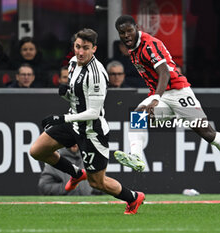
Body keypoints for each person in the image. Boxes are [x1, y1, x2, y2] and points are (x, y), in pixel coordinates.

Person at [112, 15, 220, 192]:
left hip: (177, 92)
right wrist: (156, 97)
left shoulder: (149, 44)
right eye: (122, 33)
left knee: (208, 134)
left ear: (136, 28)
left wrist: (155, 98)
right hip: (161, 95)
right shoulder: (132, 49)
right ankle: (136, 156)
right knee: (138, 116)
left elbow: (164, 74)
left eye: (130, 30)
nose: (127, 35)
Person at [29, 28, 145, 214]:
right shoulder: (73, 62)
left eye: (85, 48)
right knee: (37, 150)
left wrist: (61, 118)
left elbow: (93, 112)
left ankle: (133, 197)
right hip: (74, 122)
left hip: (92, 131)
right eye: (77, 46)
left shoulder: (97, 74)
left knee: (97, 182)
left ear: (94, 49)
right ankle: (76, 173)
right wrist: (67, 94)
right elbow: (79, 98)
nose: (80, 52)